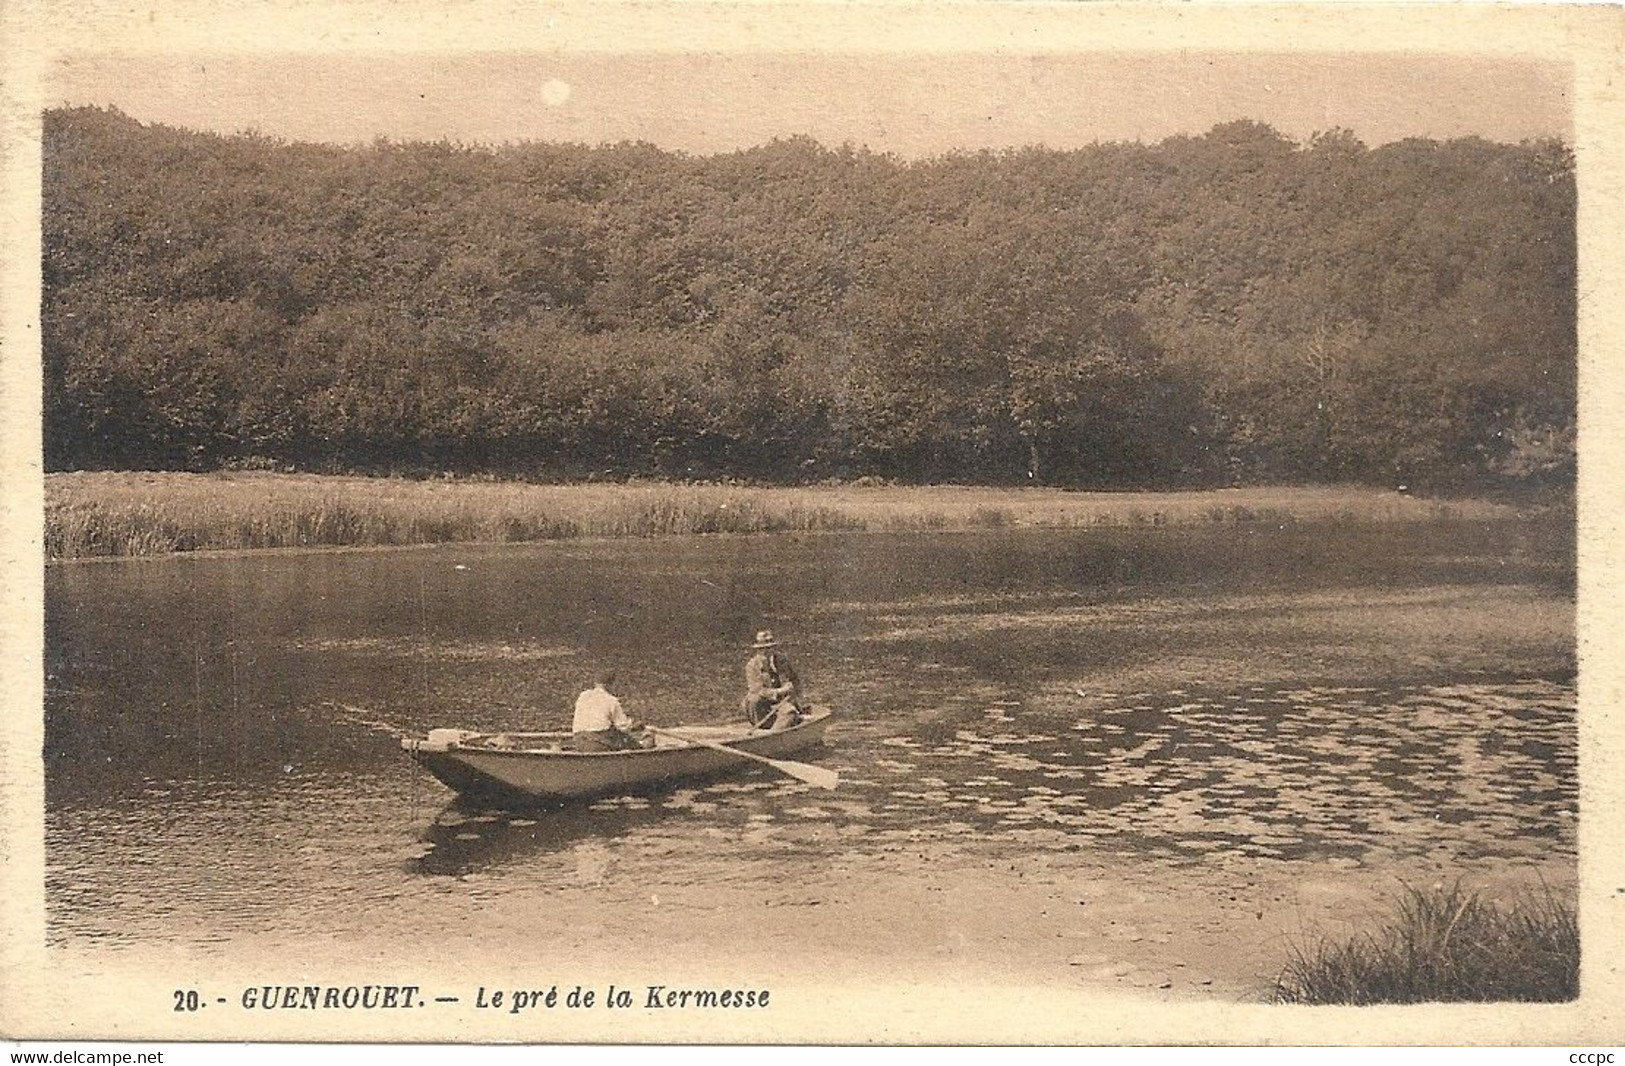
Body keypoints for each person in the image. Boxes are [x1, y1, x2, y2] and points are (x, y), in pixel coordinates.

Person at [741, 629, 806, 731]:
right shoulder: (752, 666)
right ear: (757, 650)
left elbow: (794, 680)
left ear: (773, 648)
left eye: (768, 648)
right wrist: (779, 691)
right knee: (753, 700)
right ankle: (763, 730)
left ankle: (774, 734)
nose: (765, 652)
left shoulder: (782, 661)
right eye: (761, 649)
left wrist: (792, 691)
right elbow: (758, 690)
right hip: (762, 705)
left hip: (781, 702)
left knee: (789, 713)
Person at [571, 671, 652, 752]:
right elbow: (623, 726)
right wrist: (636, 725)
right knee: (625, 739)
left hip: (579, 740)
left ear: (595, 683)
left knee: (613, 732)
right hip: (598, 741)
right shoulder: (611, 700)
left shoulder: (583, 696)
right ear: (611, 685)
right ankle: (642, 749)